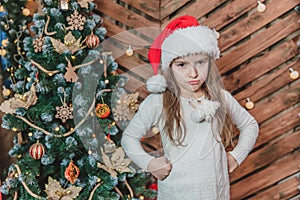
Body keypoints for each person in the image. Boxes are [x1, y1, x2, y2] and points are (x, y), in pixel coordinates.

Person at [121, 15, 259, 199]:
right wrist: (150, 164)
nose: (193, 73)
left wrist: (236, 157)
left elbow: (250, 125)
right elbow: (129, 137)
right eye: (182, 65)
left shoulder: (220, 97)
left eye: (200, 63)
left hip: (215, 193)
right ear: (170, 67)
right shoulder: (159, 101)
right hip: (175, 194)